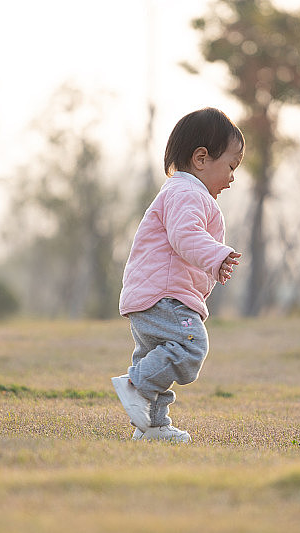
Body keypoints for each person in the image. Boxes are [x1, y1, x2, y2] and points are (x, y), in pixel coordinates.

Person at [111, 107, 245, 443]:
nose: (232, 178)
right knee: (190, 346)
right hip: (165, 297)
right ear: (201, 158)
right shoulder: (186, 193)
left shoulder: (181, 192)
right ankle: (134, 384)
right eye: (230, 166)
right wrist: (217, 254)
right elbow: (185, 236)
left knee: (156, 357)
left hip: (151, 296)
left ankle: (152, 427)